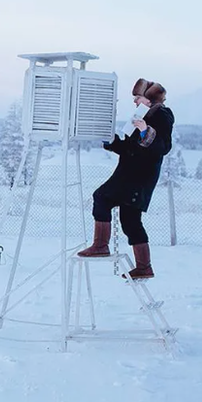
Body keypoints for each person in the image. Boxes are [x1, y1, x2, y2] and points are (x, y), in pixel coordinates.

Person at [76, 78, 175, 280]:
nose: (135, 101)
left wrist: (146, 131)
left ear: (149, 99)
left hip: (139, 176)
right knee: (129, 220)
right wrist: (111, 141)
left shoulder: (162, 115)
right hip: (129, 173)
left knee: (103, 198)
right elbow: (128, 149)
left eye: (137, 97)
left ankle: (101, 246)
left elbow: (163, 147)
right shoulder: (140, 115)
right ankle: (143, 267)